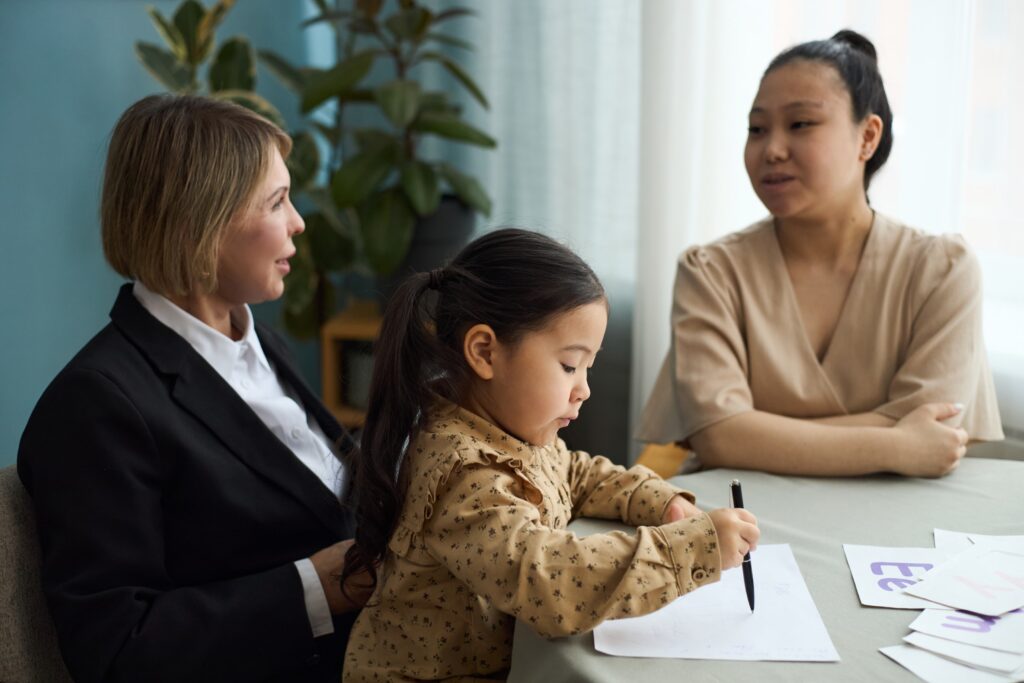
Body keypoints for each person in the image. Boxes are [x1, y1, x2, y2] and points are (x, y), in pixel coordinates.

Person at [17, 94, 371, 683]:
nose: (299, 222)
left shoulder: (259, 344)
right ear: (197, 225)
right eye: (277, 201)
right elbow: (116, 649)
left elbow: (319, 499)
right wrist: (318, 589)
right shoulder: (95, 406)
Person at [339, 229, 760, 681]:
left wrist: (657, 499)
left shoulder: (509, 429)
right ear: (484, 352)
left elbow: (574, 474)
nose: (584, 390)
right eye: (568, 365)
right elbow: (554, 581)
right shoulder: (463, 475)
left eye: (588, 367)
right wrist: (690, 550)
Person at [637, 29, 1003, 478]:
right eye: (756, 129)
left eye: (801, 124)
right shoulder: (710, 271)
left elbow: (937, 427)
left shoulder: (942, 270)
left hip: (900, 517)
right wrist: (896, 445)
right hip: (743, 518)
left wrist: (752, 436)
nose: (771, 149)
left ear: (867, 137)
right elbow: (718, 436)